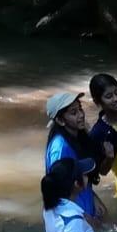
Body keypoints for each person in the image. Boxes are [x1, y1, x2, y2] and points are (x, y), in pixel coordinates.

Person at [44, 91, 108, 225]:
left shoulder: (77, 137)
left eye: (80, 109)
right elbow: (58, 192)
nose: (81, 115)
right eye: (73, 113)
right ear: (60, 120)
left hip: (84, 206)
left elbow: (81, 177)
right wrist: (85, 218)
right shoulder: (60, 148)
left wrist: (94, 198)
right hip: (74, 218)